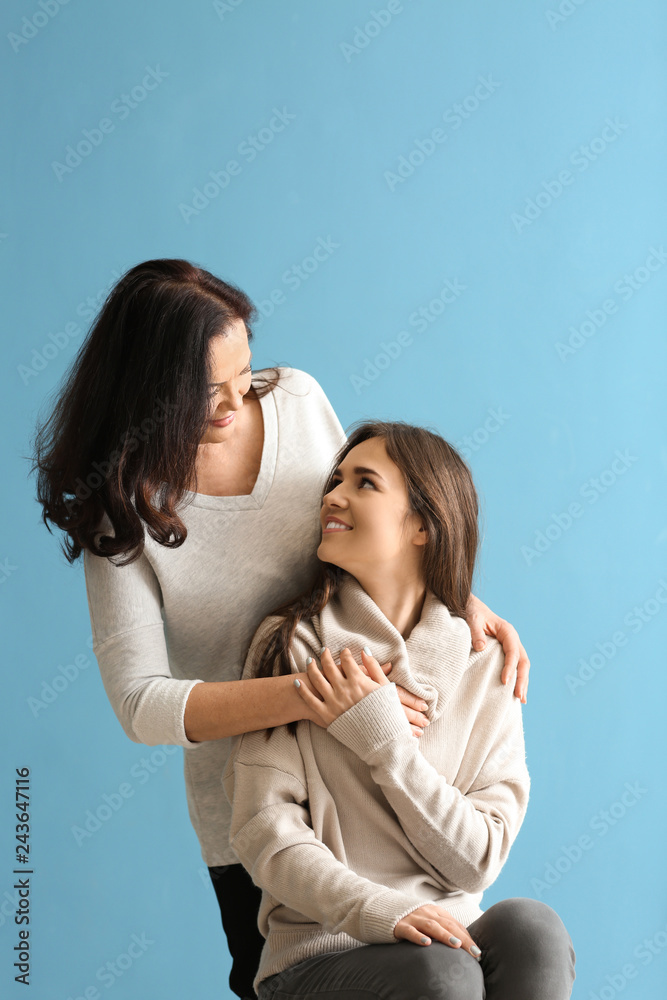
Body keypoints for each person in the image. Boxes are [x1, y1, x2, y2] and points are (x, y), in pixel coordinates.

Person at [32, 258, 532, 1000]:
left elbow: (378, 519)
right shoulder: (124, 513)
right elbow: (141, 703)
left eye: (246, 373)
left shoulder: (294, 400)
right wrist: (312, 695)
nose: (238, 402)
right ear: (149, 393)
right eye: (209, 393)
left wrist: (459, 600)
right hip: (266, 801)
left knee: (503, 945)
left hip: (383, 781)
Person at [223, 421, 576, 1000]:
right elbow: (265, 832)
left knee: (531, 931)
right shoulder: (291, 645)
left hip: (447, 941)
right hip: (324, 952)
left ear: (422, 525)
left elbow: (478, 860)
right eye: (334, 480)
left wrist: (386, 744)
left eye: (363, 483)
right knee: (441, 971)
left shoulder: (487, 663)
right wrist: (377, 910)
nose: (332, 495)